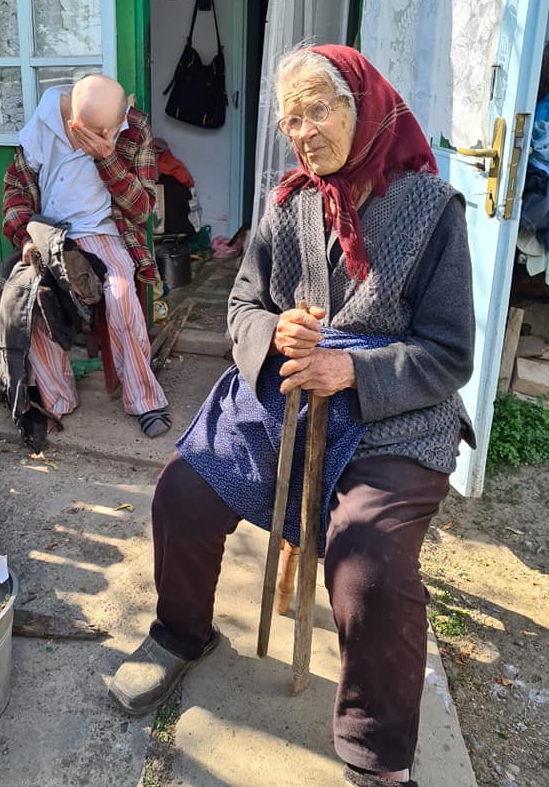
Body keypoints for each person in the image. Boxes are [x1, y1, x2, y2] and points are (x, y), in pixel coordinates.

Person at [108, 45, 476, 786]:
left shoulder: (432, 209)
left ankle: (375, 754)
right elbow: (242, 305)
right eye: (290, 120)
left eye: (318, 110)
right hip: (289, 389)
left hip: (392, 413)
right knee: (182, 489)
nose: (303, 133)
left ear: (363, 107)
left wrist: (355, 369)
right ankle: (180, 634)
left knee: (369, 562)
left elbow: (449, 352)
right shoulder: (286, 204)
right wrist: (273, 333)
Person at [1, 73, 170, 438]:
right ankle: (57, 400)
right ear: (73, 123)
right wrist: (25, 238)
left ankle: (144, 400)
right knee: (33, 301)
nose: (109, 135)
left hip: (103, 230)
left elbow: (142, 208)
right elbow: (15, 189)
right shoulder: (43, 126)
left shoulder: (133, 128)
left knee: (122, 296)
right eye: (97, 132)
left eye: (112, 129)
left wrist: (107, 159)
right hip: (50, 232)